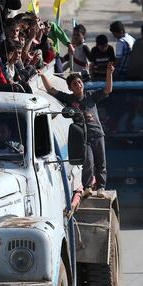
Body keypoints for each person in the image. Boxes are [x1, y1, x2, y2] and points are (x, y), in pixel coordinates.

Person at [40, 63, 114, 196]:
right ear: (70, 88)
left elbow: (108, 89)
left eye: (79, 82)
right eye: (75, 84)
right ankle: (88, 187)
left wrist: (109, 73)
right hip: (84, 137)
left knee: (101, 163)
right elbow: (51, 90)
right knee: (88, 163)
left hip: (97, 134)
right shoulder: (69, 99)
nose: (78, 85)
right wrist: (43, 76)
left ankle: (101, 187)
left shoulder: (91, 96)